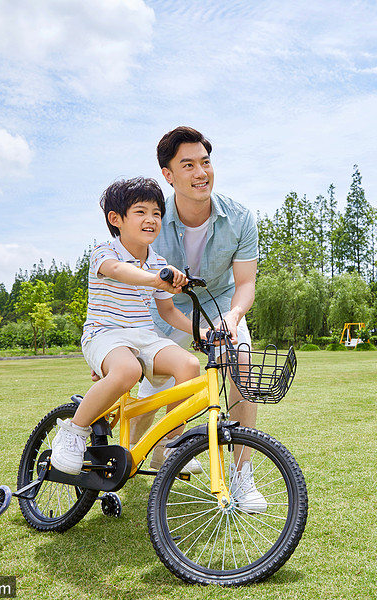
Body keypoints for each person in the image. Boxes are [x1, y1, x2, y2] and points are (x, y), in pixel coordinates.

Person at [131, 125, 265, 511]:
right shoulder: (150, 222)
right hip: (163, 308)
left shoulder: (240, 218)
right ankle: (146, 455)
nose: (200, 172)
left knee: (239, 361)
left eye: (205, 162)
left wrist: (233, 318)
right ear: (168, 175)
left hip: (219, 302)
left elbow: (244, 285)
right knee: (154, 394)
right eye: (187, 165)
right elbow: (140, 286)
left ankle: (242, 477)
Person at [50, 177, 202, 476]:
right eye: (141, 212)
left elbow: (168, 312)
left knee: (189, 366)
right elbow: (120, 272)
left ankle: (169, 446)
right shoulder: (105, 251)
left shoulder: (157, 261)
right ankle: (74, 431)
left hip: (144, 337)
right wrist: (157, 277)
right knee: (128, 371)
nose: (151, 219)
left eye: (157, 213)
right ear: (116, 219)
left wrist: (201, 333)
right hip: (104, 335)